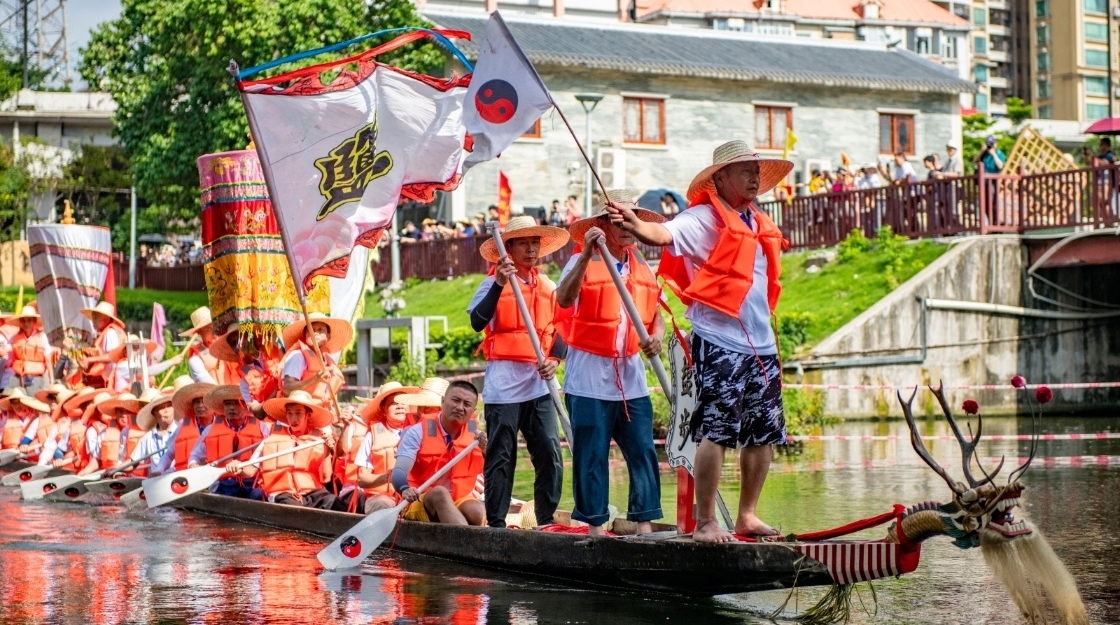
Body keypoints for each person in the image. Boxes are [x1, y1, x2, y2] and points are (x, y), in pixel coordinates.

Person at [607, 140, 792, 542]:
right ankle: (706, 521)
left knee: (764, 432)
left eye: (756, 170)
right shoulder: (702, 218)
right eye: (744, 169)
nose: (754, 177)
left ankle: (747, 516)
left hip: (762, 346)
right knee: (718, 430)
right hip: (719, 339)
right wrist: (637, 226)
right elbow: (662, 233)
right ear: (719, 178)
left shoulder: (757, 221)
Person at [555, 190, 666, 536]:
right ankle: (595, 529)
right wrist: (588, 252)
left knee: (643, 450)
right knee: (591, 455)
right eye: (619, 220)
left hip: (631, 376)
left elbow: (656, 313)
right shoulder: (581, 260)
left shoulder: (641, 264)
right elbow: (563, 299)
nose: (628, 227)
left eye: (631, 220)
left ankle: (643, 523)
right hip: (589, 377)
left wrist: (657, 336)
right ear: (602, 225)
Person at [469, 215, 568, 528]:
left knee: (550, 453)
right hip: (504, 386)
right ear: (508, 247)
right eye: (523, 242)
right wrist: (499, 284)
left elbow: (562, 329)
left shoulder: (549, 286)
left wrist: (556, 359)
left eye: (534, 243)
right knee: (501, 456)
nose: (530, 249)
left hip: (539, 386)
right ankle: (496, 523)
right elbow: (476, 322)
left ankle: (546, 519)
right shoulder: (491, 283)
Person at [390, 380, 487, 525]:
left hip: (458, 498)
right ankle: (467, 545)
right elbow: (399, 470)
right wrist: (404, 489)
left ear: (473, 412)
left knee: (476, 510)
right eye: (455, 400)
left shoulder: (476, 436)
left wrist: (486, 451)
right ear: (442, 401)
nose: (460, 407)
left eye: (467, 404)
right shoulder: (416, 432)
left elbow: (493, 473)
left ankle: (464, 538)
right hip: (419, 499)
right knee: (440, 493)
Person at [238, 390, 345, 510]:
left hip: (311, 492)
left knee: (333, 501)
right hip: (282, 493)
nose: (293, 418)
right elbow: (250, 471)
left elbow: (326, 478)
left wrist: (326, 450)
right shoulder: (272, 438)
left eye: (298, 413)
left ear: (308, 415)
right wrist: (238, 467)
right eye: (290, 413)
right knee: (295, 508)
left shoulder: (320, 439)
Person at [188, 385, 269, 498]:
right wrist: (193, 465)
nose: (231, 407)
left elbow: (262, 463)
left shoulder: (262, 428)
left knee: (258, 495)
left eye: (236, 403)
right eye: (227, 404)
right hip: (223, 484)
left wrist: (242, 469)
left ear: (246, 406)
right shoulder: (210, 430)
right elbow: (195, 456)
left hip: (253, 482)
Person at [350, 382, 417, 513]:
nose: (400, 406)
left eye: (403, 402)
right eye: (393, 403)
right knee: (383, 503)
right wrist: (387, 477)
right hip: (381, 498)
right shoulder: (372, 436)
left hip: (413, 498)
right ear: (384, 409)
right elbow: (362, 479)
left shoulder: (418, 432)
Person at [280, 313, 350, 407]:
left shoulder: (329, 363)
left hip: (320, 414)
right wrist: (315, 379)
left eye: (320, 330)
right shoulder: (297, 356)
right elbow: (287, 389)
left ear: (328, 336)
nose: (315, 333)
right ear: (305, 335)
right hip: (299, 415)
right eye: (310, 330)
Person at [151, 378, 214, 475]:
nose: (200, 405)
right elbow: (169, 455)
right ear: (192, 405)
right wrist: (158, 470)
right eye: (197, 402)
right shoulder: (183, 424)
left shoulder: (223, 423)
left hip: (215, 477)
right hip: (185, 477)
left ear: (211, 403)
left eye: (204, 401)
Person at [76, 302, 127, 389]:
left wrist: (89, 360)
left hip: (113, 380)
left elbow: (111, 356)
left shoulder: (110, 333)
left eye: (96, 318)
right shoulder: (109, 332)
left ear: (106, 319)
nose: (93, 322)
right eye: (93, 319)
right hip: (111, 378)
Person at [9, 306, 55, 391]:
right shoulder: (15, 338)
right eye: (23, 320)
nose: (26, 323)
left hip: (35, 377)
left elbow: (48, 360)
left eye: (29, 320)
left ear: (34, 321)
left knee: (31, 398)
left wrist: (51, 380)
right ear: (20, 322)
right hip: (18, 376)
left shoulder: (42, 337)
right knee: (9, 396)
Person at [130, 391, 178, 471]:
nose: (166, 410)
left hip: (178, 478)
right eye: (162, 408)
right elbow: (134, 462)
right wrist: (115, 469)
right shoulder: (148, 437)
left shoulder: (180, 430)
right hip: (156, 480)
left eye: (169, 406)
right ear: (154, 413)